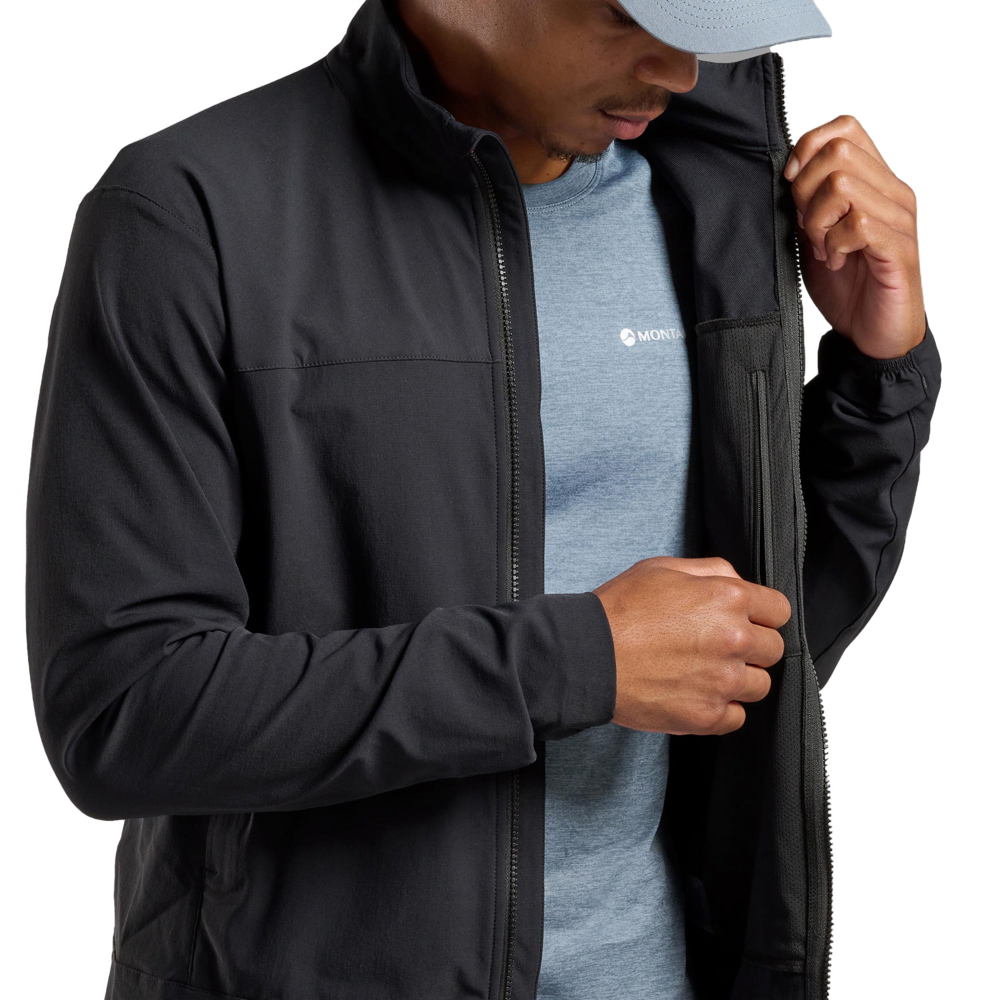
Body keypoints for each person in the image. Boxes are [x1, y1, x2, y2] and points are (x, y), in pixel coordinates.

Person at [23, 0, 942, 998]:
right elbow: (122, 713)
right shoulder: (190, 208)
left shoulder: (715, 204)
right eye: (622, 13)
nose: (679, 70)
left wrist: (875, 375)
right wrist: (571, 662)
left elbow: (767, 653)